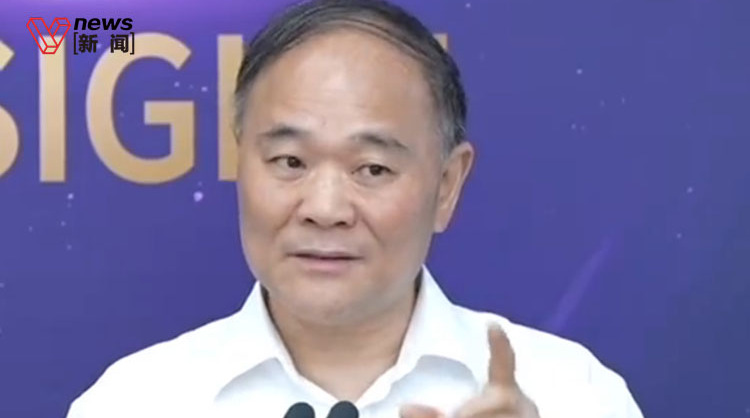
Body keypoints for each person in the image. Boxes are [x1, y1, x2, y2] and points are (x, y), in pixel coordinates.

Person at [67, 1, 643, 417]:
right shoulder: (136, 401)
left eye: (372, 169)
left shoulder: (573, 394)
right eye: (290, 162)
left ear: (447, 185)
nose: (325, 209)